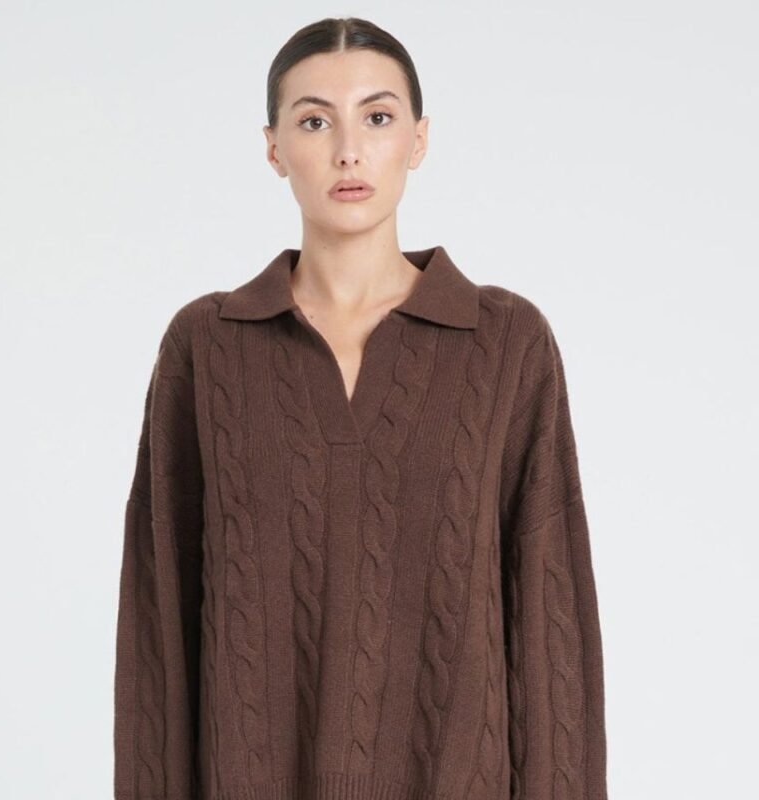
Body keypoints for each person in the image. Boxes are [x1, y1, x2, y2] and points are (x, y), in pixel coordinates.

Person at [113, 16, 608, 800]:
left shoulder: (505, 342)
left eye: (377, 117)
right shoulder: (207, 348)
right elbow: (158, 625)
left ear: (418, 139)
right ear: (274, 147)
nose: (349, 150)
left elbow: (553, 625)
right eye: (315, 121)